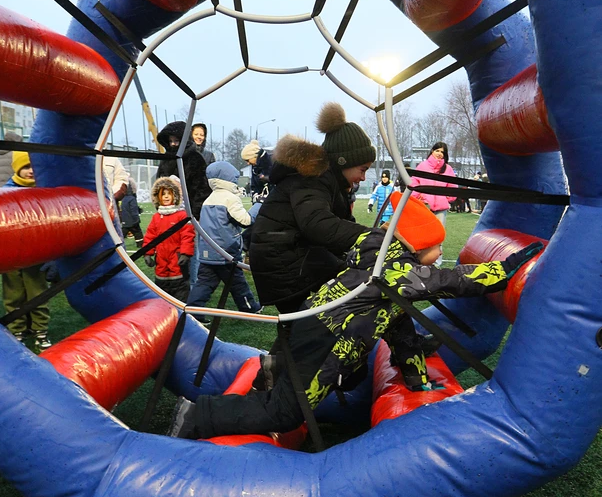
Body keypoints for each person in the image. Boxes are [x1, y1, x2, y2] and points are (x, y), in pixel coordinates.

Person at [168, 191, 544, 439]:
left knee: (349, 373)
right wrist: (504, 269)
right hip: (325, 340)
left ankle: (276, 367)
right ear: (419, 246)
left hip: (309, 323)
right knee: (286, 413)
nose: (441, 254)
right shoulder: (398, 273)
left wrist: (416, 380)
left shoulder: (376, 254)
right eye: (437, 247)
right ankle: (196, 417)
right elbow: (454, 280)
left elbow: (400, 331)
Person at [250, 102, 373, 316]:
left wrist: (370, 236)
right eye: (363, 170)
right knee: (349, 294)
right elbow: (318, 224)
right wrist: (373, 236)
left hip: (289, 255)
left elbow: (342, 223)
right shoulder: (313, 178)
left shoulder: (328, 180)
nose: (363, 177)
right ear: (344, 161)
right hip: (285, 259)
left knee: (304, 321)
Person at [186, 161, 261, 320]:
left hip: (208, 251)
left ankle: (193, 311)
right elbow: (246, 220)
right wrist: (258, 205)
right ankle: (249, 307)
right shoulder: (230, 199)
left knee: (204, 283)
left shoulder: (208, 200)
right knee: (237, 283)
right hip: (227, 252)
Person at [2, 152, 51, 349]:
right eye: (26, 166)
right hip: (11, 252)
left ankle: (40, 330)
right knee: (13, 295)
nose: (31, 171)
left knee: (37, 292)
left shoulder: (43, 189)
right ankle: (16, 330)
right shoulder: (5, 192)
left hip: (35, 252)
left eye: (34, 166)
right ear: (17, 167)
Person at [156, 121, 210, 288]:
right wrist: (161, 209)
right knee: (170, 251)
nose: (173, 144)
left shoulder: (195, 159)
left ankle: (193, 288)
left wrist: (196, 214)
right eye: (170, 141)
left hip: (189, 216)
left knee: (191, 251)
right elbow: (159, 186)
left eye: (176, 141)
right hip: (169, 215)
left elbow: (202, 190)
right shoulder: (166, 160)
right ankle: (175, 286)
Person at [143, 177, 194, 302]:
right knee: (162, 289)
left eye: (169, 193)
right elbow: (150, 236)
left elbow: (187, 235)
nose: (166, 196)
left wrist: (185, 253)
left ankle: (181, 308)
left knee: (180, 289)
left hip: (176, 258)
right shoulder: (156, 217)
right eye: (163, 194)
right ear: (158, 197)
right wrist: (147, 253)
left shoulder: (181, 215)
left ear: (175, 196)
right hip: (161, 259)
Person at [408, 142, 457, 266]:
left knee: (438, 236)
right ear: (432, 151)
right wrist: (419, 195)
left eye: (442, 152)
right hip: (424, 206)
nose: (439, 154)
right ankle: (419, 260)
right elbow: (414, 182)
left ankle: (436, 263)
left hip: (441, 209)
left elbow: (453, 185)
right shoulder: (422, 166)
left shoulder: (448, 169)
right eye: (437, 151)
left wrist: (447, 197)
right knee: (422, 234)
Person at [120, 177, 144, 250]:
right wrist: (136, 220)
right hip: (132, 221)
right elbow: (133, 210)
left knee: (122, 233)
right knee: (138, 233)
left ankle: (118, 244)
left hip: (125, 221)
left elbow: (124, 209)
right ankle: (140, 244)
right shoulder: (132, 199)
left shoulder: (124, 198)